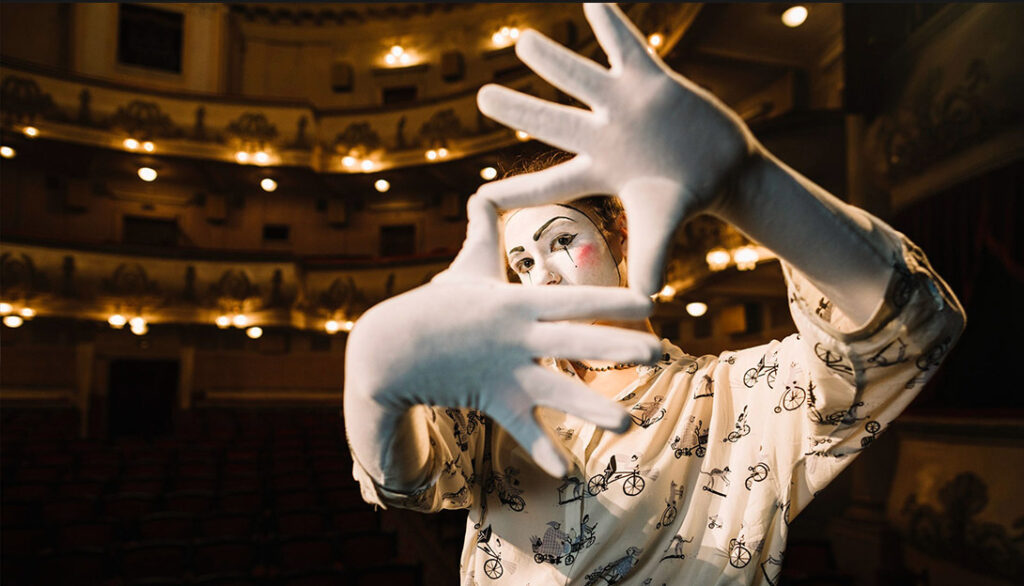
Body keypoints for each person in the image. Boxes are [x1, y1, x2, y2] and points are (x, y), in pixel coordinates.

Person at [342, 4, 965, 585]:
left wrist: (749, 184)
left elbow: (909, 328)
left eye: (561, 241)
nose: (543, 276)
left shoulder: (735, 401)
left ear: (619, 235)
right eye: (522, 261)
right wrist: (372, 380)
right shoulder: (498, 392)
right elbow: (410, 481)